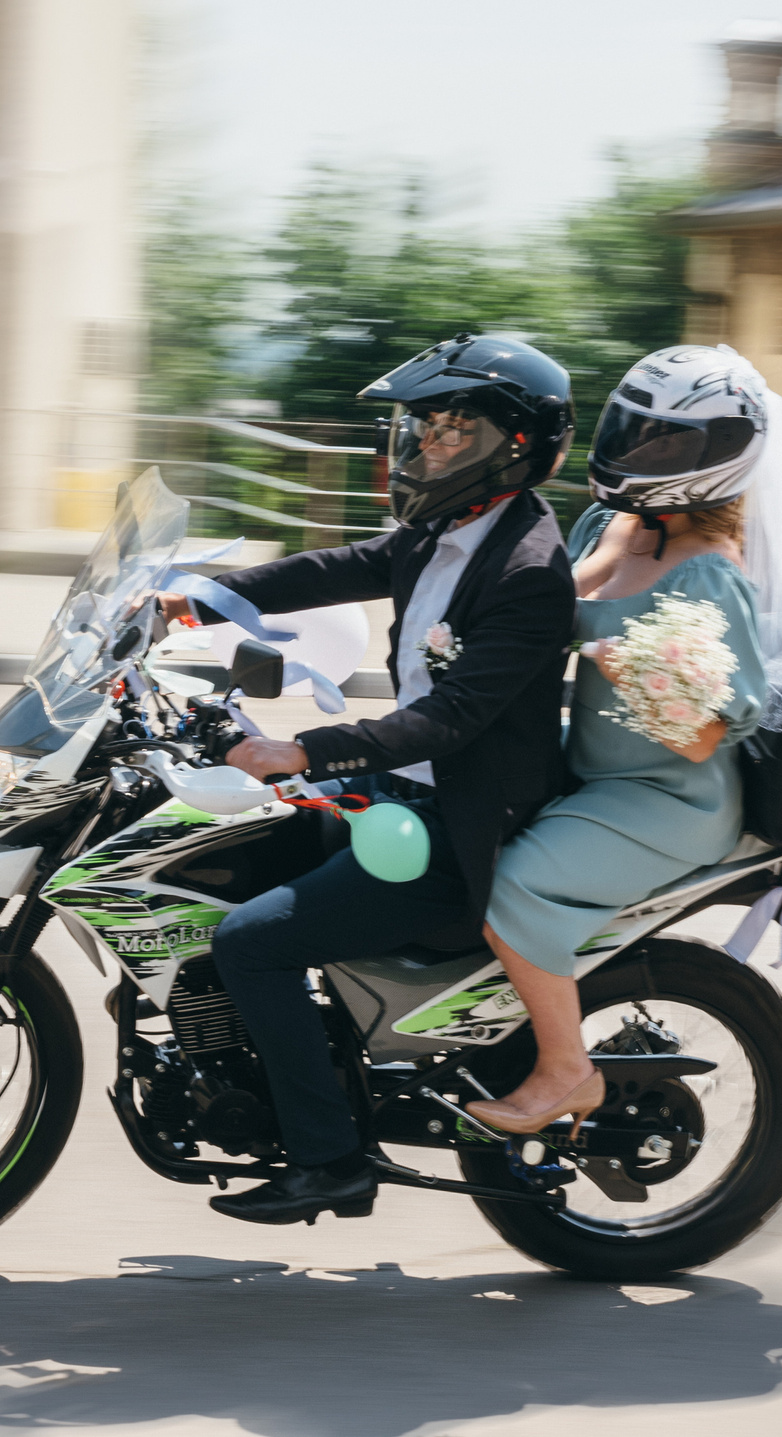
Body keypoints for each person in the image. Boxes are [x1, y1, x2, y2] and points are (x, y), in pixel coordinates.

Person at [170, 334, 580, 1226]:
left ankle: (331, 1158)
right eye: (421, 429)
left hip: (458, 823)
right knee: (229, 859)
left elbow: (449, 719)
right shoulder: (450, 528)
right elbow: (335, 567)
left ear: (511, 446)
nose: (424, 447)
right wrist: (201, 595)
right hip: (404, 798)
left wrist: (306, 752)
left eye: (448, 431)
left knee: (251, 941)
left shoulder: (527, 571)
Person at [466, 345, 772, 1135]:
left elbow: (703, 735)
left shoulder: (710, 574)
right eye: (632, 430)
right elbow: (548, 608)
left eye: (664, 441)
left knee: (513, 889)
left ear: (717, 457)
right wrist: (604, 556)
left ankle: (566, 1071)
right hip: (590, 771)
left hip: (666, 796)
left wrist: (617, 656)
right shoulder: (616, 525)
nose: (637, 450)